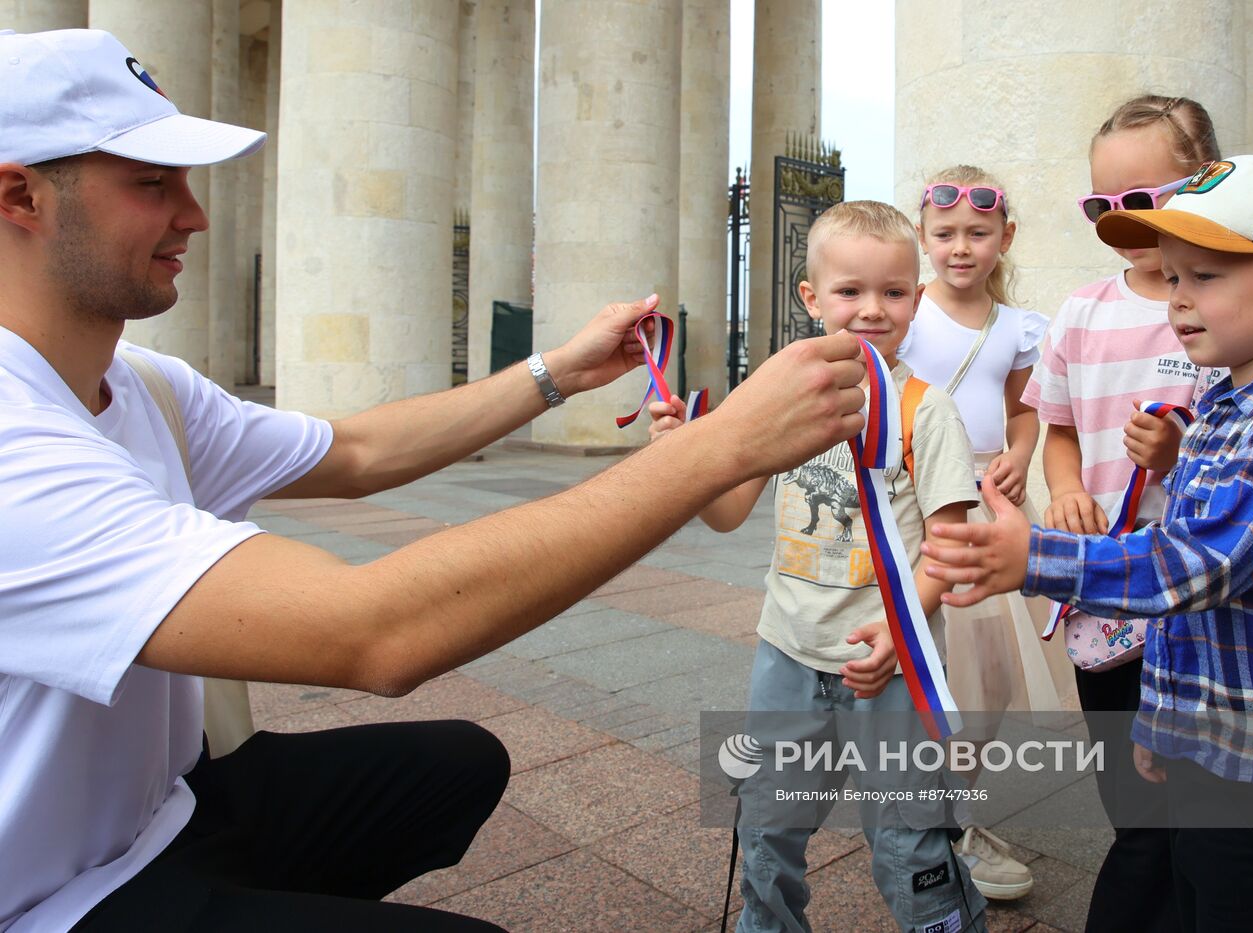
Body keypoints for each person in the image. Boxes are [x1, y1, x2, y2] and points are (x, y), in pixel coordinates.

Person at [0, 29, 870, 933]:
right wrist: (720, 446)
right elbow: (374, 634)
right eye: (151, 182)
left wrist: (559, 373)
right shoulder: (13, 446)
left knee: (460, 763)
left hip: (165, 814)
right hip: (54, 898)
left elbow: (359, 451)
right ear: (20, 193)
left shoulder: (146, 386)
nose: (196, 214)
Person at [924, 153, 1253, 933]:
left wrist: (1037, 560)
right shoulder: (1222, 407)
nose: (1177, 299)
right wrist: (1161, 725)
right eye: (1173, 276)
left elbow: (1194, 567)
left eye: (1204, 277)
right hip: (1205, 751)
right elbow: (1185, 620)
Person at [650, 201, 986, 933]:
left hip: (888, 669)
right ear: (812, 298)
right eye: (850, 291)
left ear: (917, 300)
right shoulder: (778, 402)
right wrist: (686, 458)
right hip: (788, 654)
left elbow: (950, 547)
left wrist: (899, 633)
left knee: (908, 837)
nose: (873, 309)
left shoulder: (925, 411)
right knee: (767, 827)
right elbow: (726, 510)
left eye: (894, 292)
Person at [1017, 94, 1223, 933]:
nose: (1122, 220)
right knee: (1131, 796)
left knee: (1174, 811)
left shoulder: (1218, 310)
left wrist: (1179, 458)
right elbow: (1056, 430)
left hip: (1190, 601)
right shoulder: (1082, 312)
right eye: (1103, 206)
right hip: (1100, 599)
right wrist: (1062, 484)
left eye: (1143, 200)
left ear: (1204, 183)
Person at [897, 165, 1078, 902]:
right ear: (924, 238)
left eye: (978, 234)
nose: (961, 248)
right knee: (939, 665)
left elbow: (1027, 407)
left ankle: (956, 806)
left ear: (1005, 238)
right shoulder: (907, 313)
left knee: (996, 673)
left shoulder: (1017, 327)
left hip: (990, 502)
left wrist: (1021, 452)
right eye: (945, 235)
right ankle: (938, 817)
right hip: (923, 498)